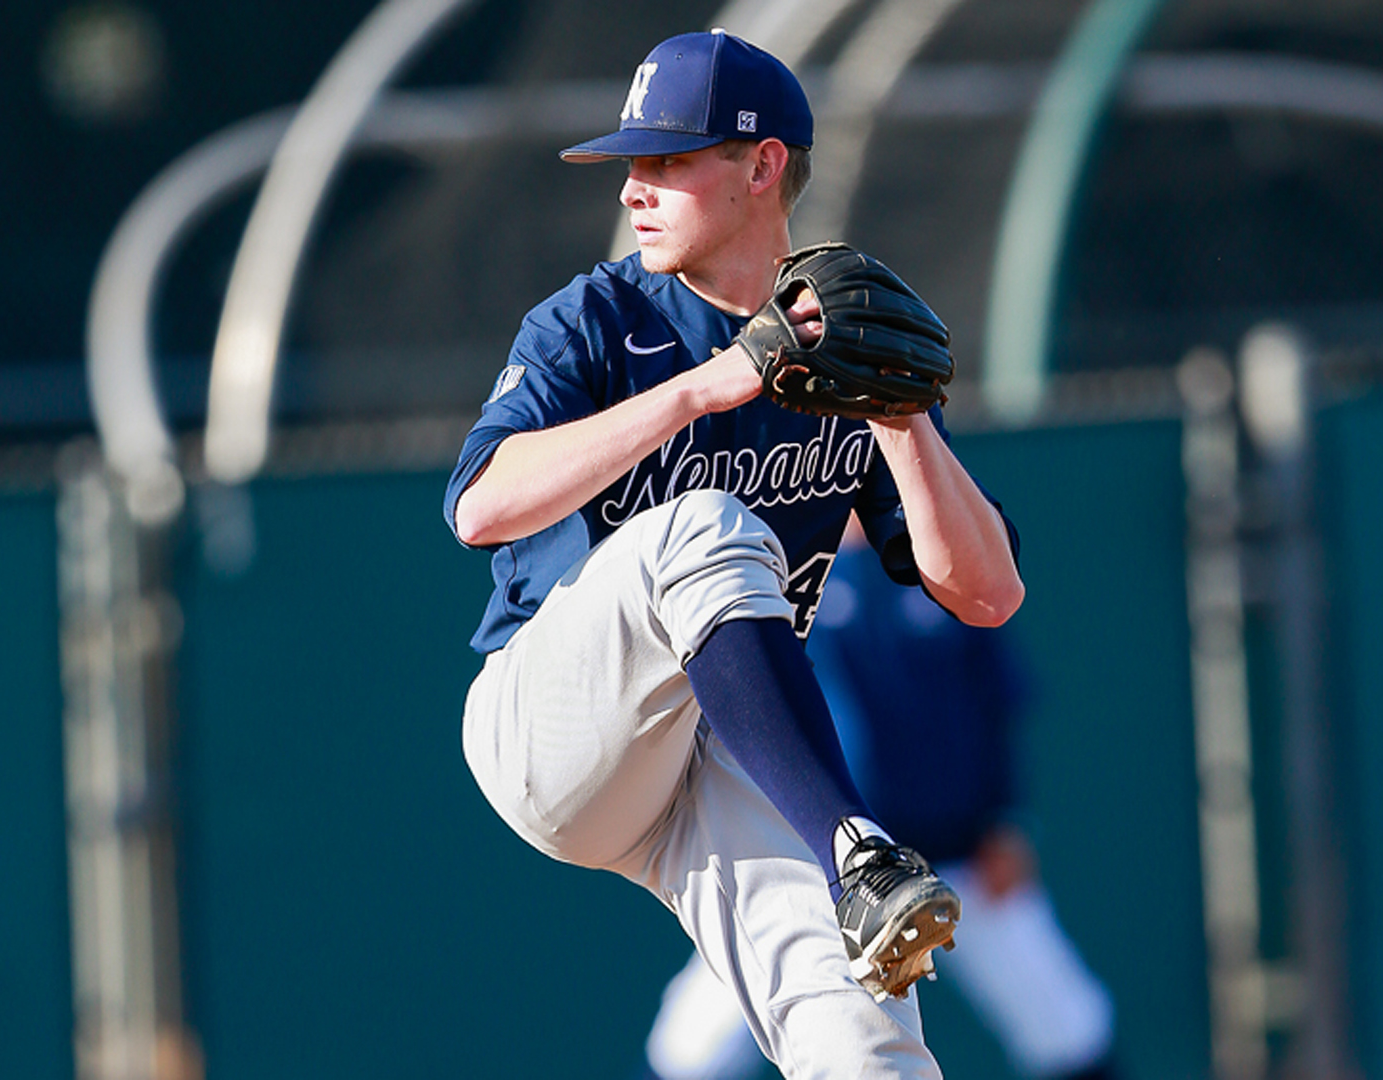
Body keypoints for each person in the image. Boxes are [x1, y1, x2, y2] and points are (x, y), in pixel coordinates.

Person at [443, 29, 1023, 1080]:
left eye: (667, 159)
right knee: (700, 529)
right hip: (553, 725)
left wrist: (904, 423)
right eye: (633, 164)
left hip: (719, 752)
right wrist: (707, 388)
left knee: (870, 1035)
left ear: (761, 166)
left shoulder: (833, 334)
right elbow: (483, 506)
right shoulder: (598, 321)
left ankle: (852, 872)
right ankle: (856, 846)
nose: (636, 188)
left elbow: (986, 593)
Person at [637, 525, 1121, 1080]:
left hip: (955, 856)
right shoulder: (779, 566)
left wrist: (1007, 819)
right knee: (694, 1043)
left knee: (1068, 1022)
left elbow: (996, 700)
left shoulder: (938, 558)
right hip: (827, 870)